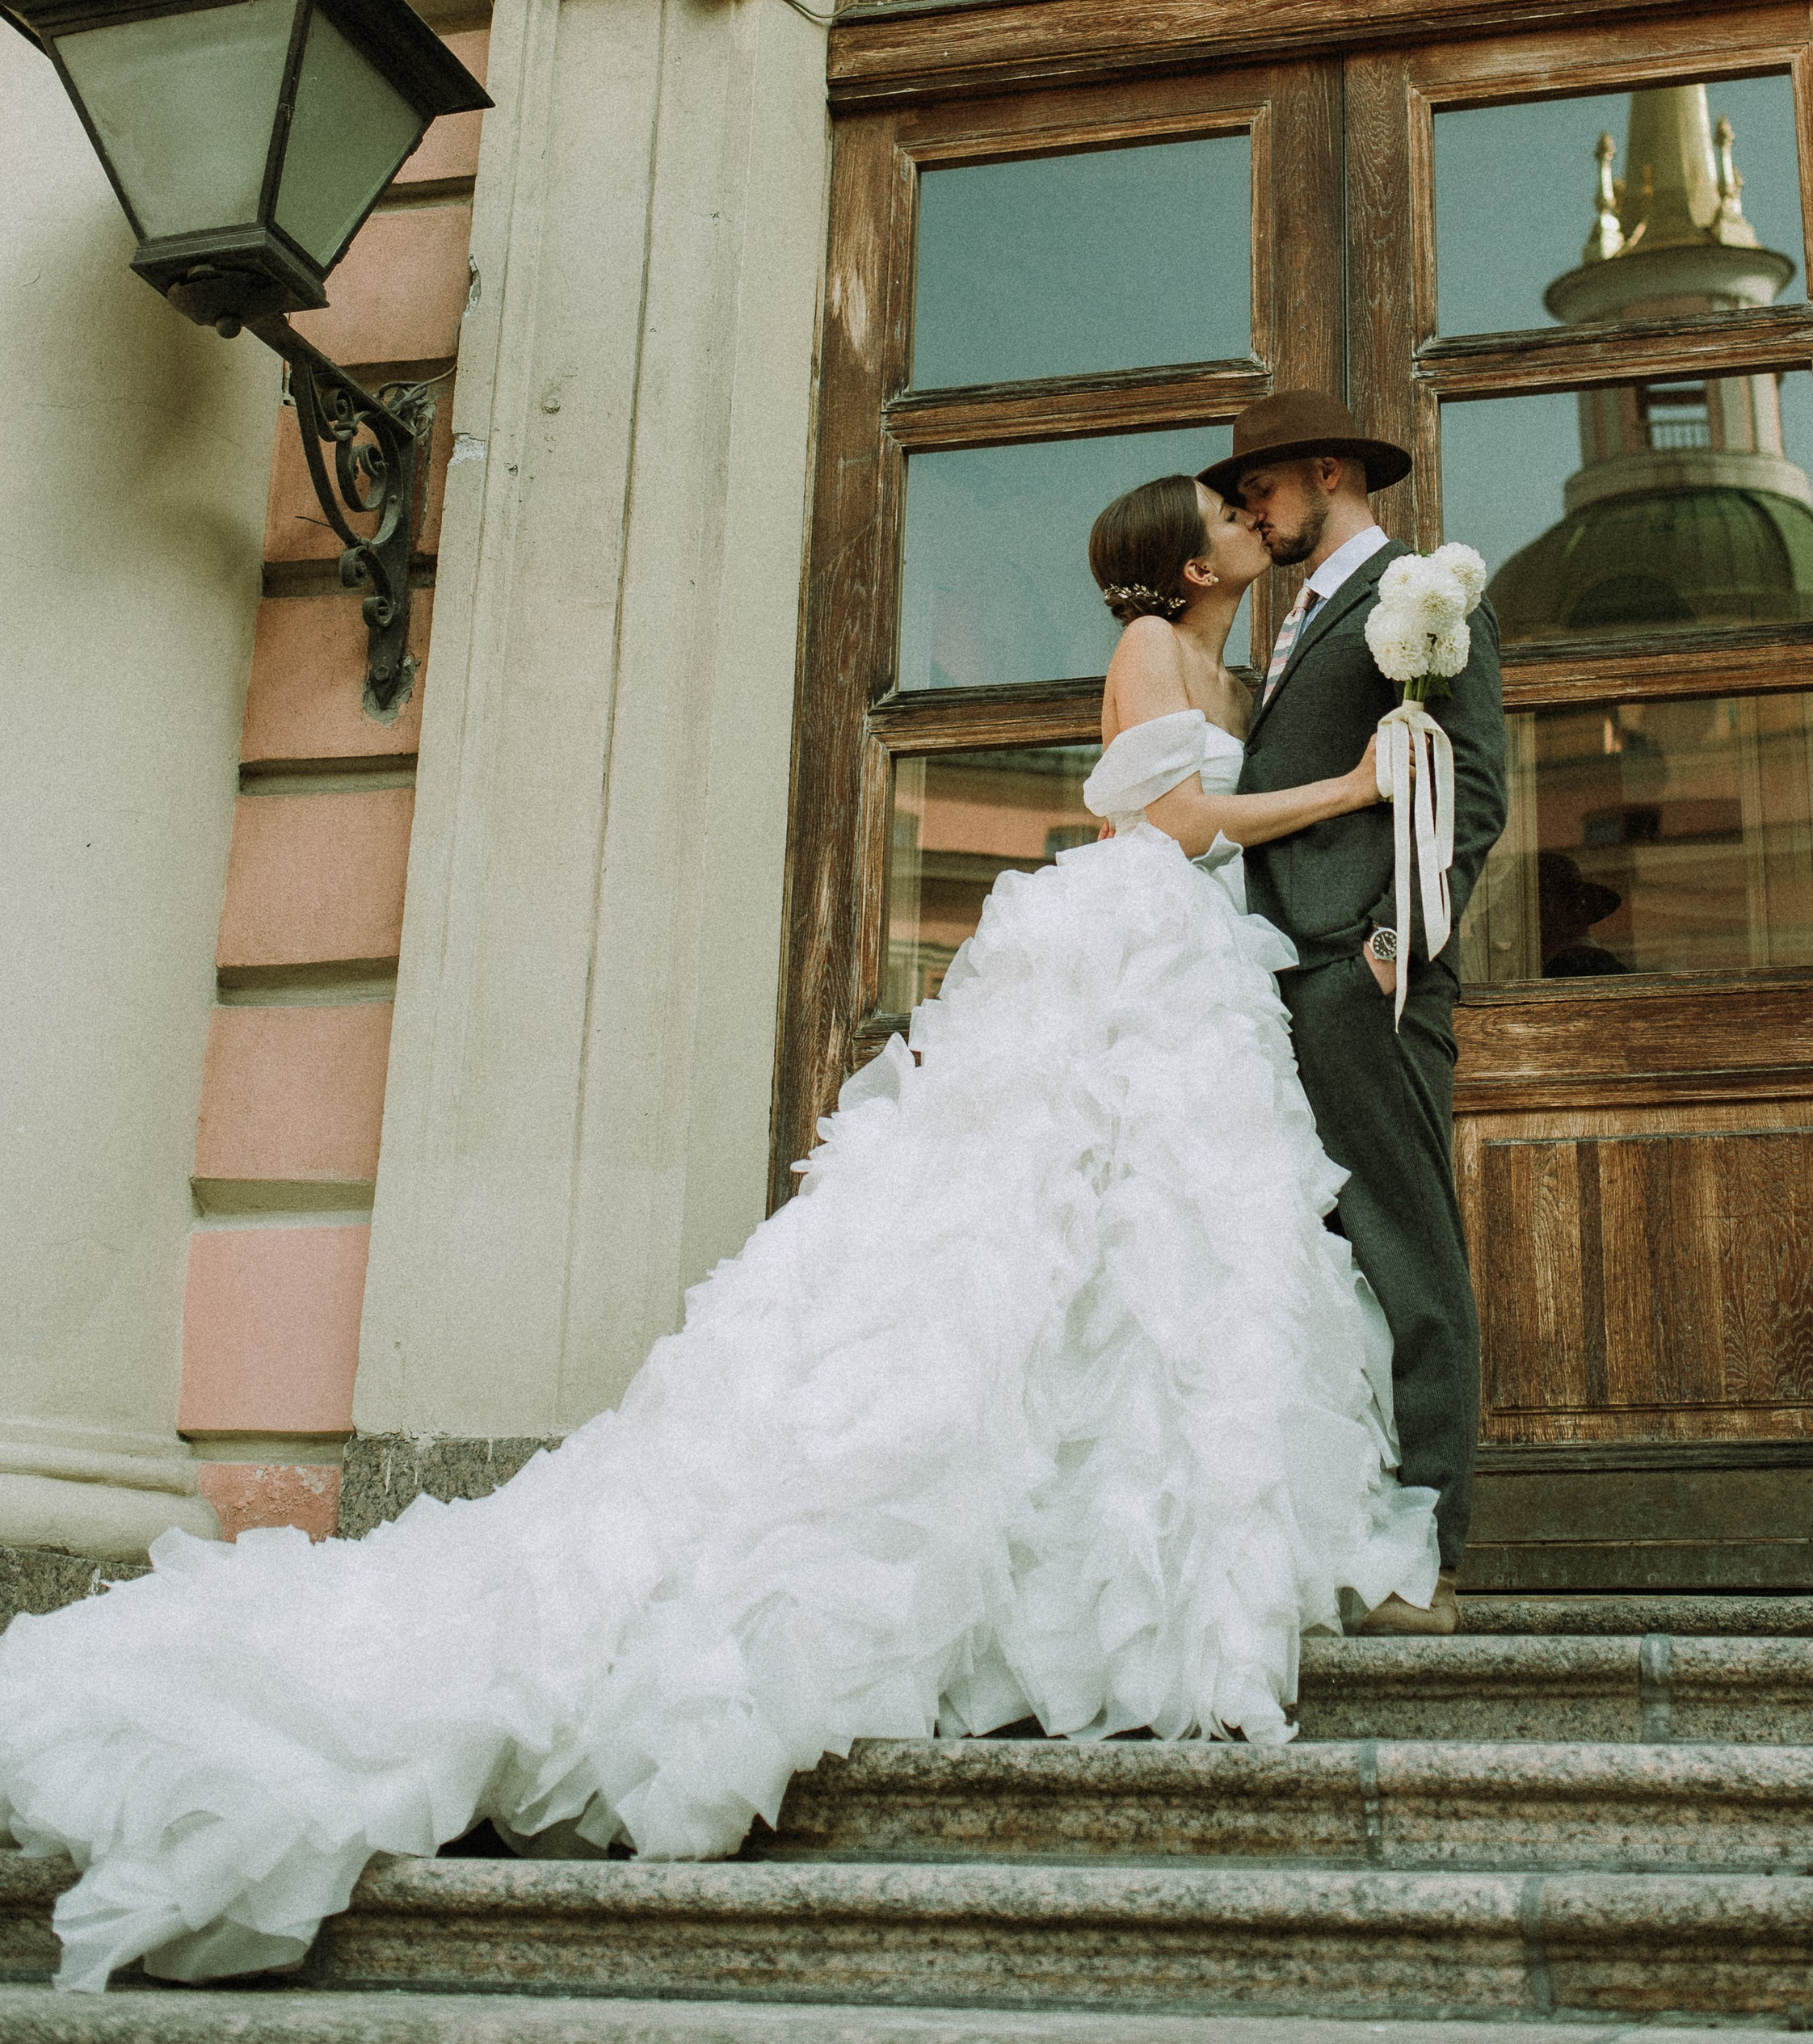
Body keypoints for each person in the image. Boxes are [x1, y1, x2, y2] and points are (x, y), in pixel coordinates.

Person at [0, 473, 1438, 1995]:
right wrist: (1353, 792)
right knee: (1016, 1244)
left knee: (1146, 1268)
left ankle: (1096, 1574)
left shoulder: (1237, 659)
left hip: (1198, 977)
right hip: (1127, 958)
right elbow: (1174, 814)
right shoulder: (1152, 649)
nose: (1243, 524)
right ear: (1178, 552)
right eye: (1225, 511)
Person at [1207, 392, 1508, 1637]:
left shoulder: (1428, 593)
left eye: (1260, 489)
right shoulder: (1306, 618)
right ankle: (1345, 1532)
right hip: (1277, 980)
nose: (1246, 513)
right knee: (1322, 1268)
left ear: (1326, 471)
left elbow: (1470, 791)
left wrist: (1395, 938)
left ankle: (1429, 1547)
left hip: (1359, 976)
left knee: (1404, 1242)